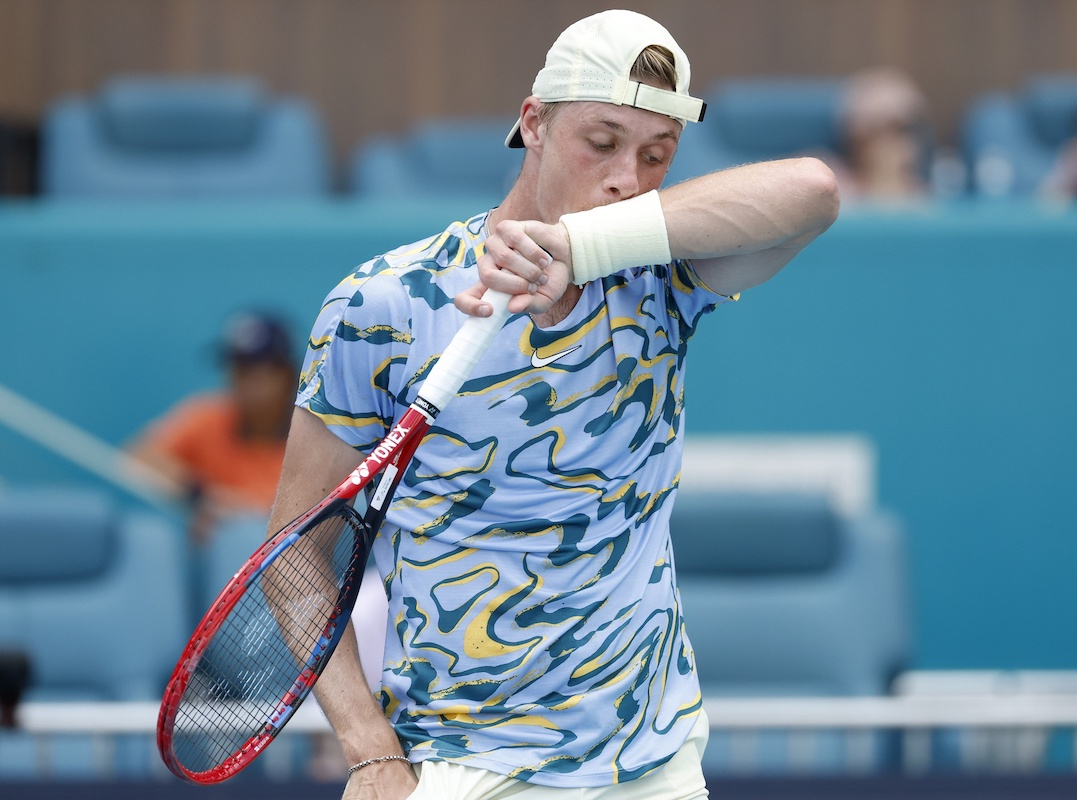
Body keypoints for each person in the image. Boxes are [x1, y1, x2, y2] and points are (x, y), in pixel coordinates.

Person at [272, 9, 839, 798]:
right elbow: (293, 556)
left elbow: (812, 191)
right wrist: (370, 751)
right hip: (457, 762)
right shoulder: (384, 304)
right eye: (601, 143)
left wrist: (582, 245)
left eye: (656, 155)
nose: (627, 179)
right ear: (532, 123)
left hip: (650, 764)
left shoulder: (661, 278)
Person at [128, 310, 296, 543]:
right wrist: (200, 495)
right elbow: (139, 457)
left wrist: (236, 510)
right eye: (234, 368)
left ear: (285, 375)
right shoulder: (209, 415)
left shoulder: (309, 435)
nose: (239, 381)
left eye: (251, 370)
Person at [832, 66, 933, 204]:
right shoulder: (831, 187)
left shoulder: (929, 196)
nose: (893, 142)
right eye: (877, 130)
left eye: (902, 129)